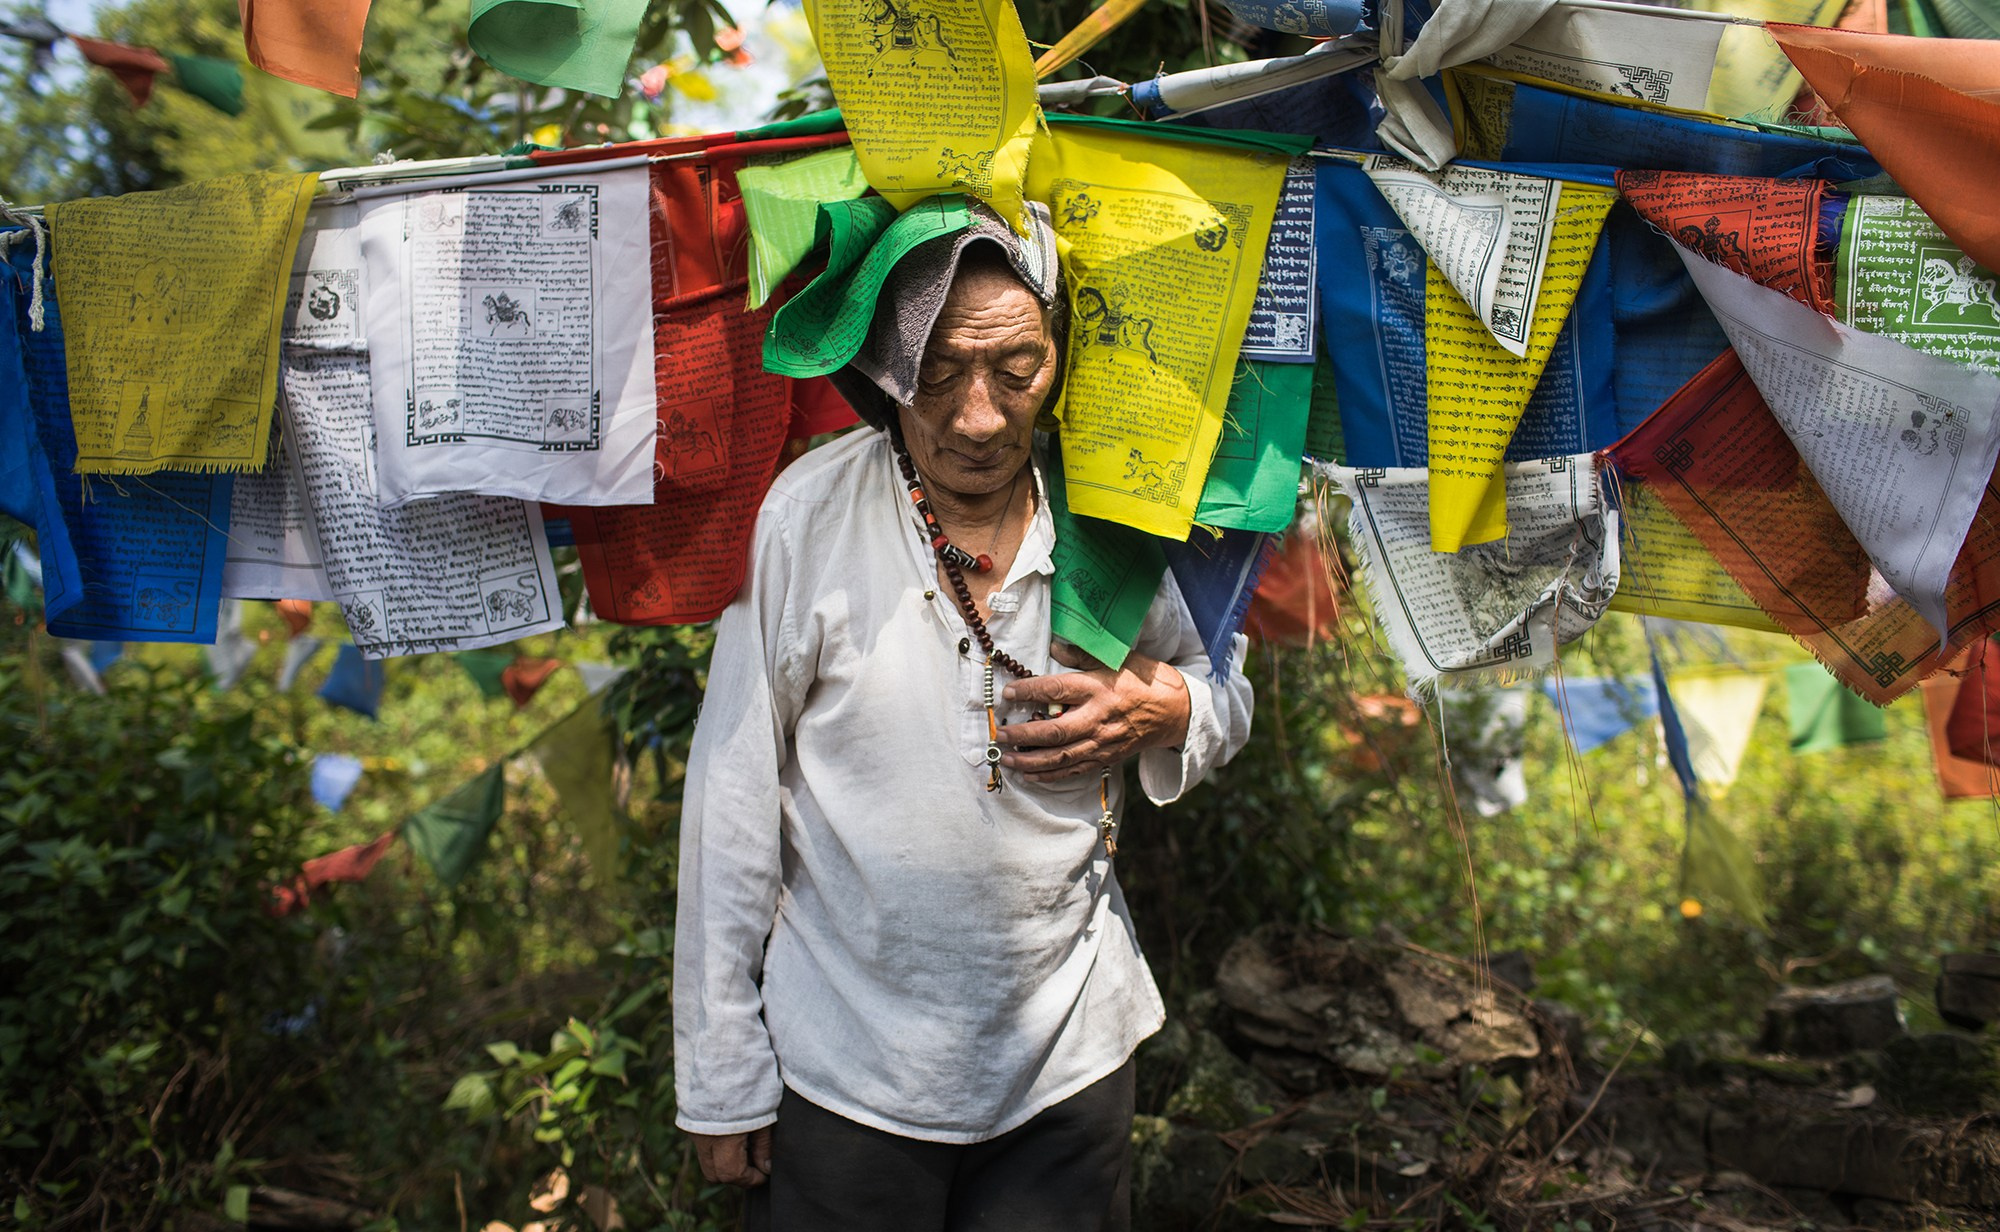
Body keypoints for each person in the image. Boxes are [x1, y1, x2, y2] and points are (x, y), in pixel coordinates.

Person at [672, 197, 1254, 1231]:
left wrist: (1160, 707)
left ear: (1061, 357)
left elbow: (1223, 688)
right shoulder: (807, 517)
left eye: (1014, 368)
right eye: (937, 371)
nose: (977, 414)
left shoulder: (1119, 514)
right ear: (883, 370)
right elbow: (730, 790)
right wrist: (721, 1067)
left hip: (1065, 1060)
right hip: (847, 1062)